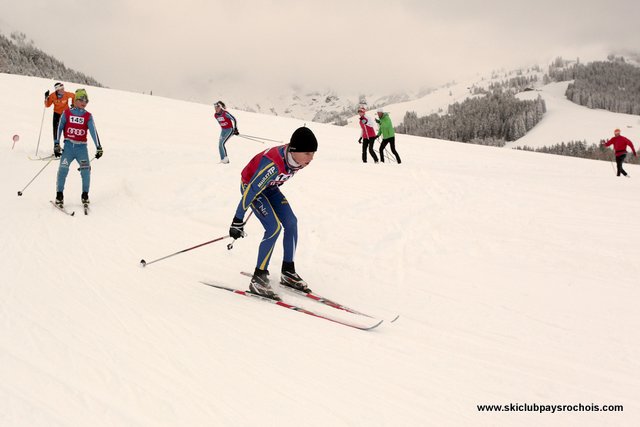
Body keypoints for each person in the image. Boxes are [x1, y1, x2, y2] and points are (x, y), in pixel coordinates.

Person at [228, 126, 318, 301]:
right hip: (252, 188)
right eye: (307, 153)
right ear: (294, 150)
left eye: (313, 153)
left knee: (291, 222)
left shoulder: (297, 159)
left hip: (269, 187)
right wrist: (237, 220)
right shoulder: (273, 165)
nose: (311, 158)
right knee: (273, 227)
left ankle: (288, 271)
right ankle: (259, 277)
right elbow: (252, 190)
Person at [54, 89, 103, 207]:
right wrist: (56, 143)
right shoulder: (66, 113)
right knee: (63, 170)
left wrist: (98, 147)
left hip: (81, 149)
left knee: (86, 171)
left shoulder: (88, 116)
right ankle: (59, 195)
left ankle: (85, 195)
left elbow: (93, 131)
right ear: (75, 100)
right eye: (81, 99)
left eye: (86, 100)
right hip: (69, 148)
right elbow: (59, 128)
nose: (84, 102)